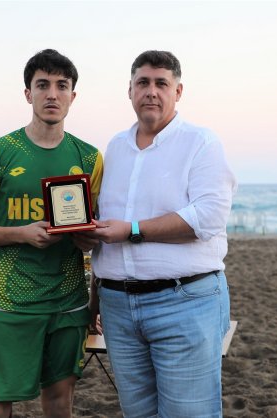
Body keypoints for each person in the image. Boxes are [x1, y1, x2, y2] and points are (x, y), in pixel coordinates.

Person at [0, 49, 103, 418]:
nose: (52, 94)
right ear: (28, 93)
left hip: (68, 303)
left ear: (73, 96)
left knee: (59, 403)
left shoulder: (90, 158)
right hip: (9, 303)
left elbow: (94, 231)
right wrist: (22, 234)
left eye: (61, 86)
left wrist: (87, 239)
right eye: (42, 85)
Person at [88, 50, 236, 417]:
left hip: (184, 302)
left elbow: (208, 218)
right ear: (130, 90)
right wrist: (93, 283)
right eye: (143, 82)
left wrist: (133, 230)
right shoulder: (114, 148)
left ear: (178, 91)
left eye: (161, 83)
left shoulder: (201, 143)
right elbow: (107, 223)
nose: (151, 91)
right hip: (117, 307)